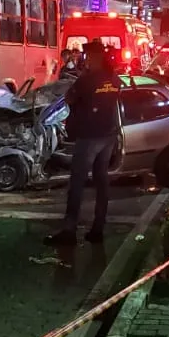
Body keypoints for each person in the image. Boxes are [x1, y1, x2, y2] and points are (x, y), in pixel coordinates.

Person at [45, 41, 121, 246]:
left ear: (93, 57)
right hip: (108, 135)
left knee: (77, 183)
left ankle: (69, 231)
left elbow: (68, 99)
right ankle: (98, 228)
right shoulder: (114, 78)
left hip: (89, 136)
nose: (83, 59)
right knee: (101, 180)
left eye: (86, 56)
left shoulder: (86, 80)